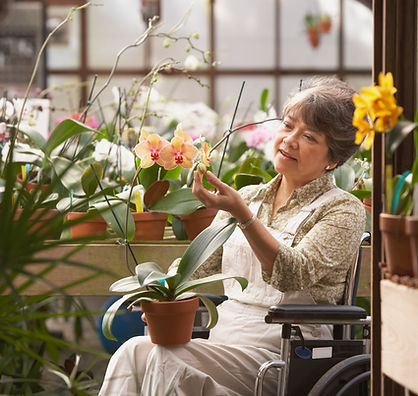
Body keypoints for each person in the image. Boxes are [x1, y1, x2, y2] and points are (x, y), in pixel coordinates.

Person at [98, 76, 366, 395]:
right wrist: (158, 292)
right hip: (224, 342)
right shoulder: (248, 196)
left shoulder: (342, 209)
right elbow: (197, 269)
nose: (290, 140)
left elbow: (292, 274)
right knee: (133, 352)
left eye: (308, 136)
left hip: (285, 355)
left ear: (333, 158)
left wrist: (244, 217)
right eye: (287, 125)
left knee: (167, 359)